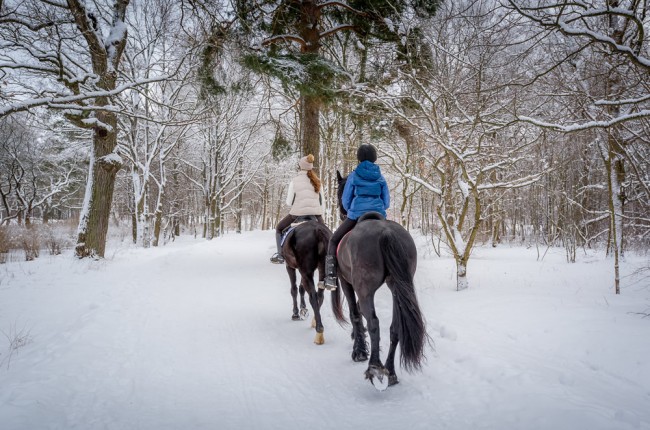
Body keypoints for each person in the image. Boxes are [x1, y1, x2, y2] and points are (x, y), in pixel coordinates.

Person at [323, 144, 390, 289]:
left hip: (356, 215)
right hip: (379, 215)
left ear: (359, 158)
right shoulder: (380, 177)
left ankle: (330, 277)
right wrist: (379, 209)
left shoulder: (354, 176)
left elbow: (346, 200)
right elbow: (386, 201)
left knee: (333, 240)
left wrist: (350, 211)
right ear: (374, 158)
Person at [270, 154, 325, 264]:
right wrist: (320, 215)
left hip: (297, 214)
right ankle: (330, 258)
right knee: (326, 234)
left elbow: (289, 202)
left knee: (279, 228)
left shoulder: (294, 181)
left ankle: (280, 255)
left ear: (300, 167)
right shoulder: (317, 181)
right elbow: (322, 202)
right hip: (316, 215)